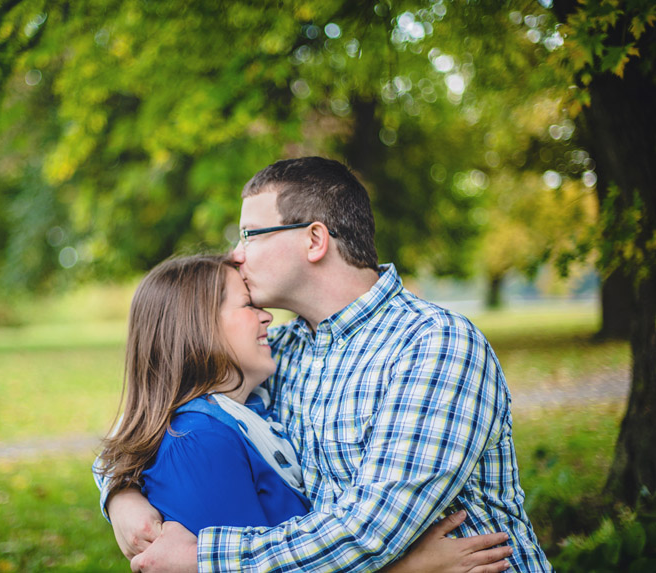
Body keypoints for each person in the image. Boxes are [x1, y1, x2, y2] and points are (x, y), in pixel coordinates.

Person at [100, 157, 553, 572]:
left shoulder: (432, 345)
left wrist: (204, 558)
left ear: (314, 240)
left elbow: (369, 531)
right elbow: (158, 404)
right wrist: (121, 495)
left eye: (248, 235)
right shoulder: (283, 352)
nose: (236, 253)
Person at [95, 254, 514, 573]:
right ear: (199, 326)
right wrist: (404, 568)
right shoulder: (199, 439)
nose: (266, 316)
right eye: (247, 305)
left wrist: (118, 493)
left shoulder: (255, 399)